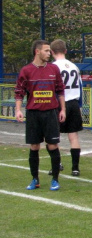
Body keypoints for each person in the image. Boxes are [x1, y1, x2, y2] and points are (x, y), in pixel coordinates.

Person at [15, 40, 67, 191]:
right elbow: (19, 92)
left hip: (51, 113)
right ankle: (35, 179)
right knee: (34, 146)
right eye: (46, 51)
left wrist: (62, 109)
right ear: (37, 52)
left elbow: (60, 91)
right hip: (33, 114)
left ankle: (55, 180)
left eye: (49, 51)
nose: (49, 53)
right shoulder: (26, 70)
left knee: (52, 145)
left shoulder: (53, 69)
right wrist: (18, 110)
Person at [50, 39, 84, 177]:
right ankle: (75, 168)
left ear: (52, 52)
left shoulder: (52, 67)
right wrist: (80, 106)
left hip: (59, 103)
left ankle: (57, 164)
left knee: (53, 136)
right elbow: (80, 87)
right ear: (65, 51)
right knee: (74, 136)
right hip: (74, 103)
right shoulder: (74, 67)